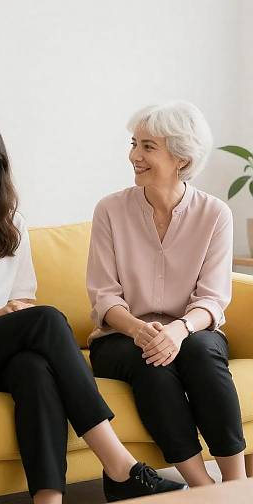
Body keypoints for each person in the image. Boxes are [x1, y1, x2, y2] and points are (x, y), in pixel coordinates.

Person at [0, 112, 186, 503]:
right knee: (47, 319)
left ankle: (48, 499)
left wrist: (8, 316)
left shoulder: (11, 221)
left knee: (34, 368)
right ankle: (118, 463)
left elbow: (22, 300)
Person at [86, 101, 247, 487]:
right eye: (134, 143)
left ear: (181, 157)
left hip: (191, 332)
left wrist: (178, 330)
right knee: (151, 361)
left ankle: (238, 483)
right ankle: (201, 486)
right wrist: (140, 331)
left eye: (147, 147)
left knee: (203, 353)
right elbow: (104, 296)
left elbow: (212, 298)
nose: (133, 156)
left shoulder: (215, 214)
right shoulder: (110, 210)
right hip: (120, 336)